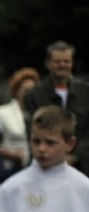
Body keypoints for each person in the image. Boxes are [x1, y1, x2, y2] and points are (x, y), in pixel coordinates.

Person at [23, 40, 89, 177]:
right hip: (45, 165)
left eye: (66, 61)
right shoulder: (34, 95)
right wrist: (55, 154)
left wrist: (73, 156)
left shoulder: (85, 92)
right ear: (48, 63)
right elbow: (31, 130)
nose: (62, 65)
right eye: (57, 62)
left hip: (82, 166)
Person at [0, 67, 39, 174]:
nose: (29, 94)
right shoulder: (3, 112)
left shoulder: (39, 112)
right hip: (10, 167)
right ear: (16, 91)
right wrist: (13, 154)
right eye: (26, 90)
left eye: (33, 90)